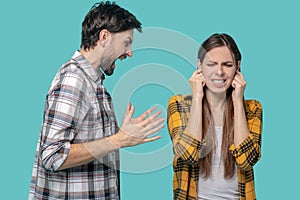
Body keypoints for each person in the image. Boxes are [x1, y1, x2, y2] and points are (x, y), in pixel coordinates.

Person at [29, 2, 164, 199]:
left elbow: (95, 144)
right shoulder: (73, 80)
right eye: (126, 42)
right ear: (104, 37)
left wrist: (120, 137)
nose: (129, 52)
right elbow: (53, 156)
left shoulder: (95, 84)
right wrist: (118, 140)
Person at [167, 33, 262, 200]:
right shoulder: (179, 104)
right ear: (200, 66)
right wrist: (197, 97)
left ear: (237, 67)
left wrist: (238, 101)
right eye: (211, 64)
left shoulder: (253, 108)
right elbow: (188, 155)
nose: (219, 72)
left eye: (227, 64)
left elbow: (246, 161)